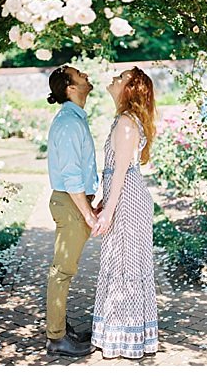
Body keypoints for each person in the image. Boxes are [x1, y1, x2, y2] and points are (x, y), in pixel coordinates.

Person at [90, 67, 158, 359]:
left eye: (122, 78)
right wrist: (106, 202)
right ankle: (120, 333)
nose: (115, 79)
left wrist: (108, 211)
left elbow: (120, 172)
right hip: (125, 199)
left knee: (125, 263)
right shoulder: (125, 121)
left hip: (129, 203)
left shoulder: (127, 123)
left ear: (131, 89)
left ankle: (124, 337)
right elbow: (118, 172)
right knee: (121, 262)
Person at [44, 65, 98, 357]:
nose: (87, 76)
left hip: (75, 200)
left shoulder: (75, 119)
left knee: (65, 270)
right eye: (81, 75)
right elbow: (71, 175)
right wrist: (87, 212)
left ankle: (61, 328)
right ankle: (56, 338)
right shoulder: (68, 123)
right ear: (70, 88)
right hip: (70, 202)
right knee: (62, 271)